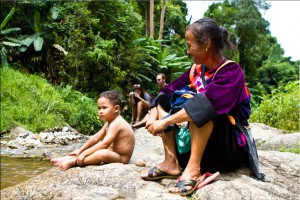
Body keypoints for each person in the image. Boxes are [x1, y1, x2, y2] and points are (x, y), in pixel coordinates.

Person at [140, 18, 264, 196]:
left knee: (203, 106)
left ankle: (193, 169)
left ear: (206, 44)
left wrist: (165, 122)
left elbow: (208, 105)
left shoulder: (231, 72)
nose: (188, 51)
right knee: (166, 99)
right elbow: (166, 91)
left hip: (225, 150)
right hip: (200, 146)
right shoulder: (196, 70)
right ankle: (171, 162)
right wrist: (153, 114)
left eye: (190, 46)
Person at [51, 90, 135, 171]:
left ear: (116, 109)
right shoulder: (109, 122)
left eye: (104, 108)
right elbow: (95, 138)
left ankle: (75, 162)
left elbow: (104, 144)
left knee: (102, 153)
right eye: (99, 108)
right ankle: (70, 157)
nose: (100, 111)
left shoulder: (117, 123)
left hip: (121, 158)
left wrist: (84, 153)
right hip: (112, 152)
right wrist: (81, 150)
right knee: (93, 148)